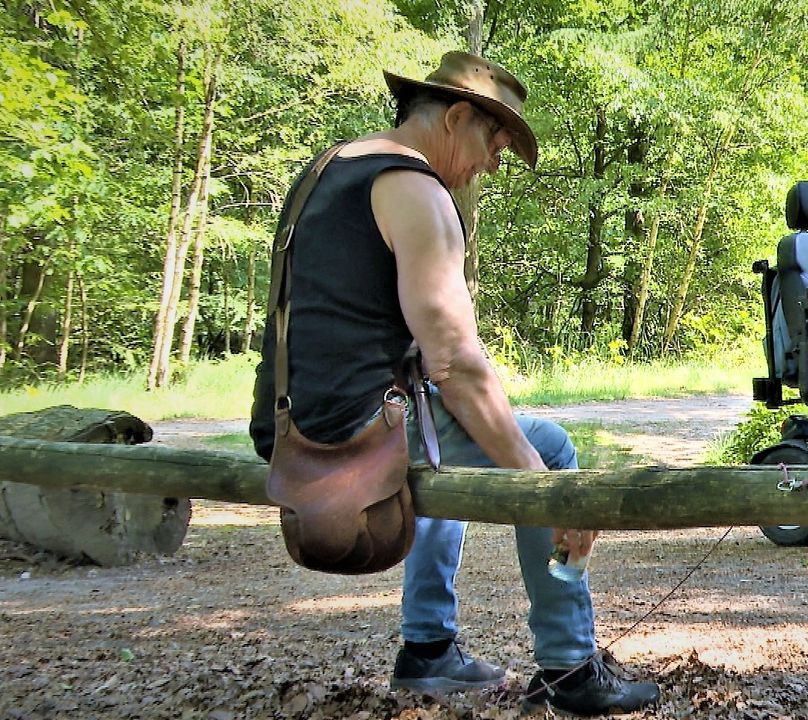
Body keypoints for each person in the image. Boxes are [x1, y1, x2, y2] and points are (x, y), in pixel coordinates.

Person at [248, 51, 660, 716]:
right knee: (548, 450)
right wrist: (540, 485)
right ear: (456, 116)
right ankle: (568, 665)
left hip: (289, 424)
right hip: (356, 433)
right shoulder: (416, 189)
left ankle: (428, 649)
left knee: (447, 426)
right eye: (493, 141)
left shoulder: (327, 169)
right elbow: (456, 363)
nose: (493, 162)